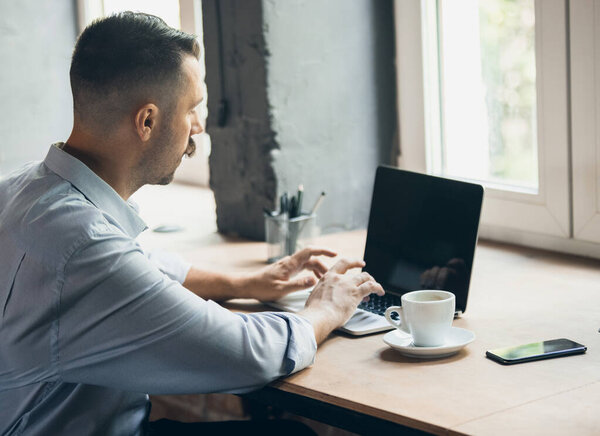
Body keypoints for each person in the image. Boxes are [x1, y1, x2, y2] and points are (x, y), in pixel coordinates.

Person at [0, 12, 384, 436]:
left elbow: (137, 264)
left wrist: (244, 284)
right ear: (147, 121)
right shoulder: (83, 245)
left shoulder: (23, 190)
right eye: (192, 108)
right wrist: (325, 309)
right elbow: (246, 354)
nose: (200, 125)